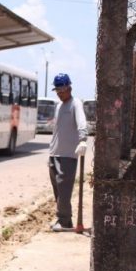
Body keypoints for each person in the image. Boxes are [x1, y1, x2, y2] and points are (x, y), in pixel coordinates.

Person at [48, 73, 88, 232]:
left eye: (62, 89)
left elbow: (82, 123)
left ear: (69, 87)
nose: (59, 93)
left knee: (64, 190)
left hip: (68, 155)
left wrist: (83, 139)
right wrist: (51, 151)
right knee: (57, 189)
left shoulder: (75, 103)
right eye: (57, 90)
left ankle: (65, 221)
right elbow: (57, 131)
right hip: (55, 153)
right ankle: (62, 218)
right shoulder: (58, 106)